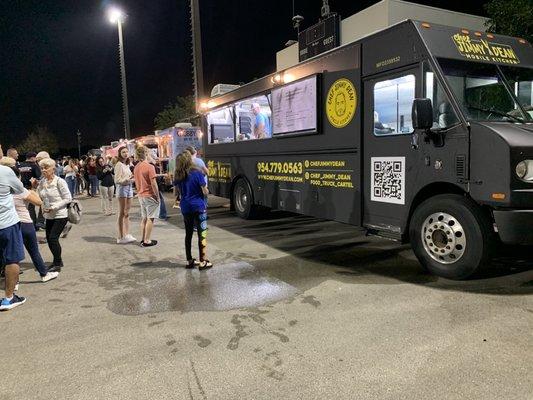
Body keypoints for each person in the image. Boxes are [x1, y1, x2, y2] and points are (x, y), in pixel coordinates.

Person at [0, 157, 59, 282]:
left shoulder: (3, 190)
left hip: (8, 224)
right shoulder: (19, 189)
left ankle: (12, 282)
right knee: (33, 251)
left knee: (10, 255)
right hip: (24, 223)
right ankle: (44, 274)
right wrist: (33, 188)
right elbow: (38, 202)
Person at [173, 151, 212, 270]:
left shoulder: (178, 175)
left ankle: (189, 260)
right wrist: (206, 192)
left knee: (188, 234)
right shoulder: (197, 173)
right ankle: (203, 261)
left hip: (185, 207)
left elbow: (176, 192)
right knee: (202, 234)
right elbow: (205, 191)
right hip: (199, 207)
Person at [0, 144, 28, 310]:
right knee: (12, 259)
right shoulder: (5, 172)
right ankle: (9, 298)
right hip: (6, 223)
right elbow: (19, 189)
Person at [36, 158, 72, 272]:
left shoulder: (59, 181)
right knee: (49, 238)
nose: (43, 170)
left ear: (53, 169)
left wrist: (54, 207)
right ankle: (57, 261)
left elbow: (68, 198)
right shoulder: (42, 182)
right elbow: (38, 196)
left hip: (60, 215)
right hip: (49, 215)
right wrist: (34, 186)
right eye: (41, 168)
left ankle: (57, 263)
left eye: (46, 168)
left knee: (52, 238)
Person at [133, 146, 159, 247]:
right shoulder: (150, 167)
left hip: (141, 195)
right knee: (150, 218)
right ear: (147, 154)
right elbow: (153, 183)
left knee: (144, 218)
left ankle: (143, 238)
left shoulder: (136, 167)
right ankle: (147, 240)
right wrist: (157, 196)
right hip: (150, 195)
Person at [114, 146, 136, 244]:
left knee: (127, 213)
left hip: (129, 188)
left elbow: (129, 176)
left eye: (127, 152)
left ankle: (126, 234)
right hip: (122, 189)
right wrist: (127, 180)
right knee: (121, 213)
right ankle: (120, 236)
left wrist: (131, 178)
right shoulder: (118, 165)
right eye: (123, 152)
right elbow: (117, 180)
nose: (125, 154)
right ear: (119, 153)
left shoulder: (127, 164)